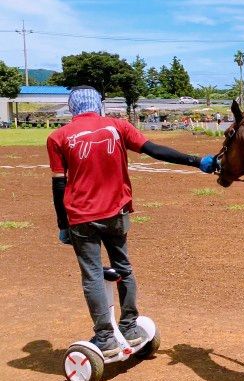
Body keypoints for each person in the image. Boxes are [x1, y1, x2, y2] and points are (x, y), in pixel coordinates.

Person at [47, 86, 216, 357]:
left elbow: (59, 185)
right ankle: (129, 326)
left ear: (72, 107)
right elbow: (155, 150)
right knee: (123, 265)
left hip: (80, 217)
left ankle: (104, 336)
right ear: (98, 104)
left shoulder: (58, 136)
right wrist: (196, 161)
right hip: (116, 213)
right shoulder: (117, 127)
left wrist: (62, 225)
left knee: (92, 274)